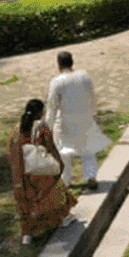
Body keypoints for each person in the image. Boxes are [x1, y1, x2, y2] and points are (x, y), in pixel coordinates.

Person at [8, 98, 77, 245]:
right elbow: (50, 147)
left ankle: (28, 234)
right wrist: (59, 162)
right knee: (53, 195)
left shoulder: (17, 128)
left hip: (25, 172)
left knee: (28, 202)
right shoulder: (42, 127)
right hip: (42, 171)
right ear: (40, 113)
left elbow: (13, 150)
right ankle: (63, 219)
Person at [46, 51, 111, 190]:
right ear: (72, 62)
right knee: (88, 149)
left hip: (65, 122)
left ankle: (66, 180)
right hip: (85, 118)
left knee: (63, 152)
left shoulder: (57, 82)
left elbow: (52, 107)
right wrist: (93, 115)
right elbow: (92, 97)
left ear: (59, 64)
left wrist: (48, 125)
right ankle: (91, 177)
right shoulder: (84, 77)